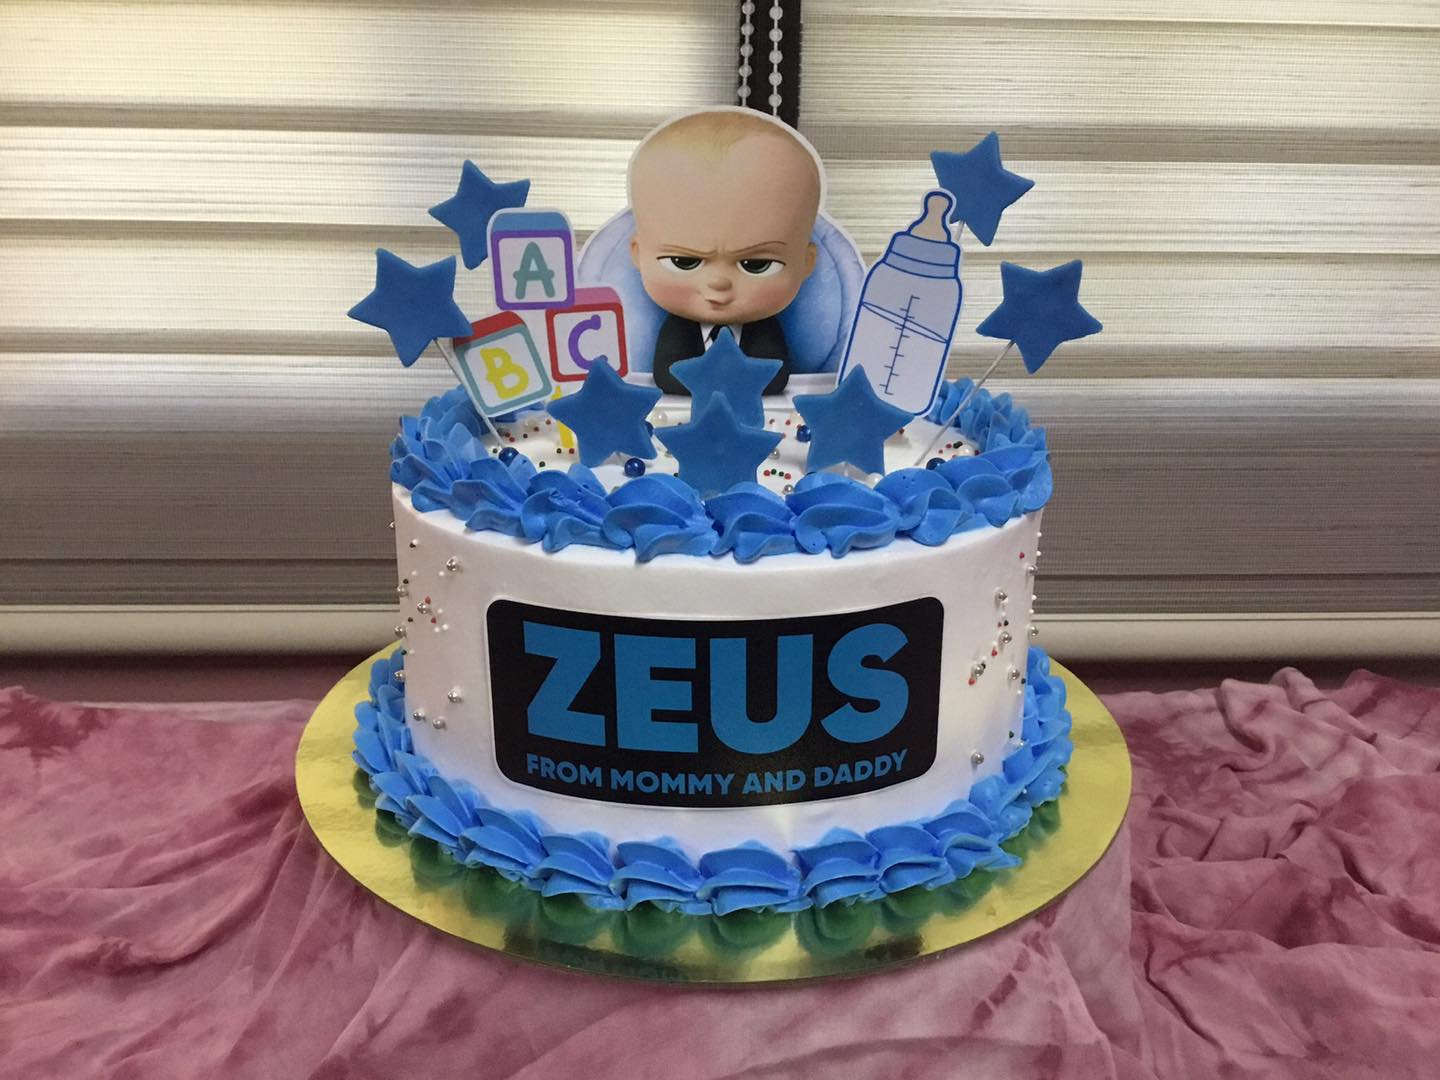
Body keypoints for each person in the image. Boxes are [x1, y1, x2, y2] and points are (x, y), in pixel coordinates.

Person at [628, 108, 822, 395]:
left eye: (755, 264)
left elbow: (774, 378)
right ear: (638, 254)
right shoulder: (678, 331)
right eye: (684, 261)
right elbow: (668, 376)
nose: (718, 283)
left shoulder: (764, 332)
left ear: (806, 262)